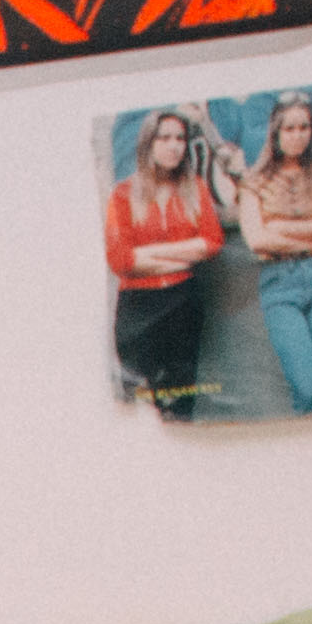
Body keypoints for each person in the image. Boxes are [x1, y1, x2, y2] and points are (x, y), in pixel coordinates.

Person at [235, 90, 312, 414]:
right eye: (289, 129)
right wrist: (310, 238)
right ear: (275, 133)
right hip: (280, 283)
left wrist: (280, 229)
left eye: (304, 127)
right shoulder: (254, 179)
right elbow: (257, 240)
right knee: (310, 385)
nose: (298, 136)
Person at [102, 106, 225, 411]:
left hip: (183, 301)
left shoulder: (194, 188)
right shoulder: (123, 194)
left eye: (180, 138)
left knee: (182, 399)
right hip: (139, 307)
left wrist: (151, 255)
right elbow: (121, 261)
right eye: (164, 138)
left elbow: (211, 242)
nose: (174, 146)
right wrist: (185, 253)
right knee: (144, 402)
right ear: (148, 143)